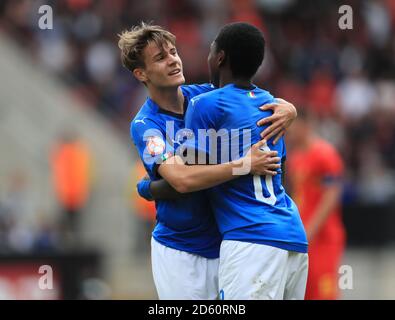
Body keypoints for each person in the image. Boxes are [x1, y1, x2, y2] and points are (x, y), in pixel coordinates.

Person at [118, 22, 297, 299]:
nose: (173, 61)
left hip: (227, 243)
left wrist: (289, 108)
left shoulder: (203, 97)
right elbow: (182, 180)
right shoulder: (147, 125)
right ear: (141, 73)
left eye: (173, 52)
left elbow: (250, 94)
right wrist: (244, 165)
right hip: (181, 250)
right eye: (160, 58)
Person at [287, 110, 346, 300]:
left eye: (294, 126)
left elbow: (332, 193)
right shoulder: (295, 157)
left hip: (323, 237)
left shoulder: (324, 153)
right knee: (304, 290)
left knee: (324, 291)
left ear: (306, 125)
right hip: (303, 235)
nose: (291, 132)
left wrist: (311, 228)